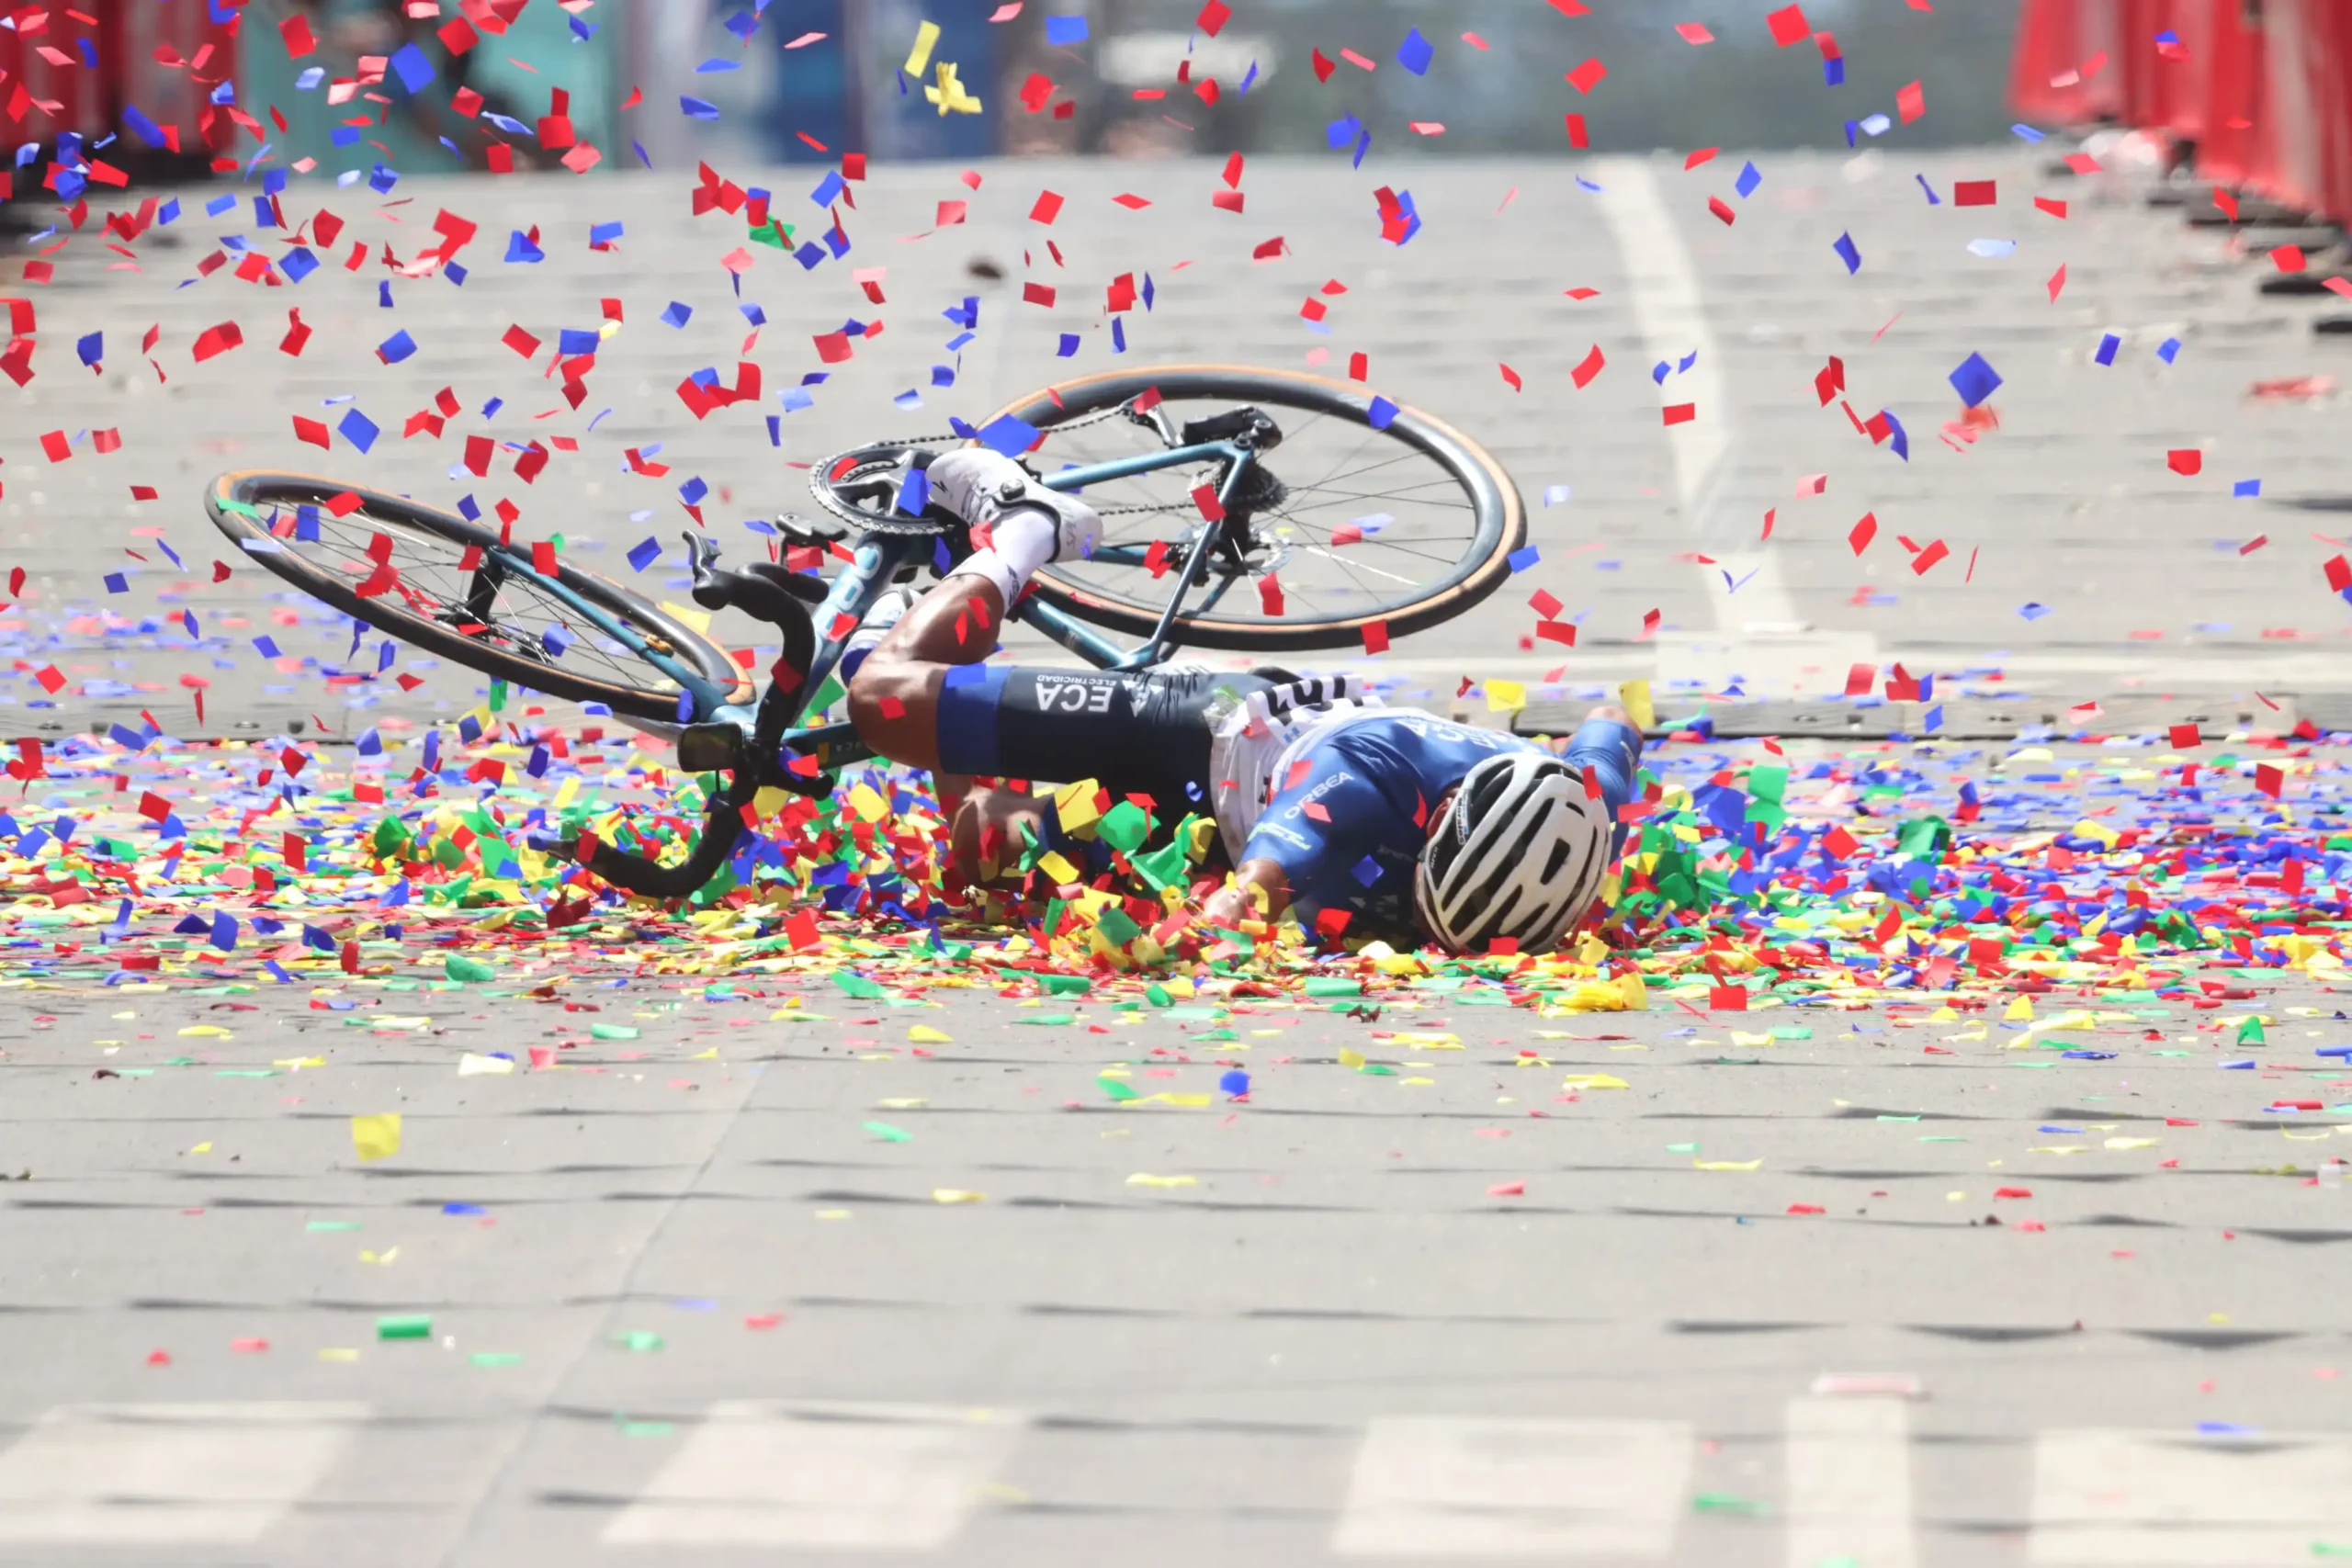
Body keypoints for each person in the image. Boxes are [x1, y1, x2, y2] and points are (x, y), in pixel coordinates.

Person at [843, 449, 1647, 954]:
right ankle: (1025, 525)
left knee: (986, 862)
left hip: (1221, 820)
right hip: (1204, 733)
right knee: (883, 702)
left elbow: (1612, 725)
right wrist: (1173, 944)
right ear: (1437, 825)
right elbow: (1236, 905)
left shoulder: (1586, 803)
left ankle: (904, 630)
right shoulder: (1357, 787)